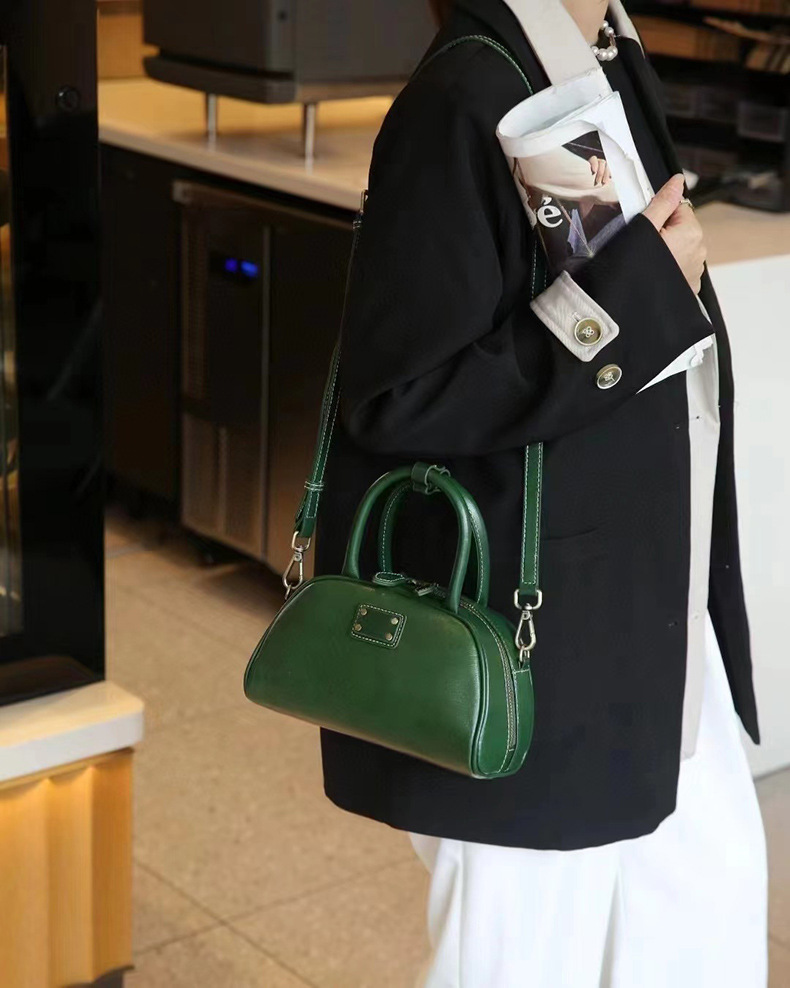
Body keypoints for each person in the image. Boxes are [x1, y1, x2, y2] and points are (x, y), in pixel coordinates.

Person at [313, 0, 768, 984]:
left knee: (707, 922)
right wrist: (632, 298)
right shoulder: (464, 92)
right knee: (525, 956)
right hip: (537, 648)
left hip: (649, 611)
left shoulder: (606, 56)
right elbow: (398, 397)